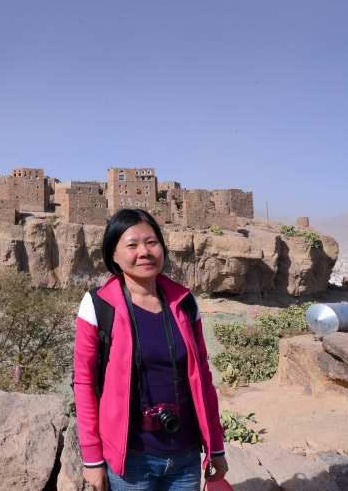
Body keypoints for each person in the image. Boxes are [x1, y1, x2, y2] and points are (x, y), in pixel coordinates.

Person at [73, 208, 229, 491]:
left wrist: (215, 447)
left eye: (151, 242)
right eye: (132, 245)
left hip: (185, 457)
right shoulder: (98, 306)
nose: (144, 252)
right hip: (131, 460)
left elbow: (203, 378)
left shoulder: (184, 303)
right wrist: (92, 459)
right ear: (113, 255)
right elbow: (83, 383)